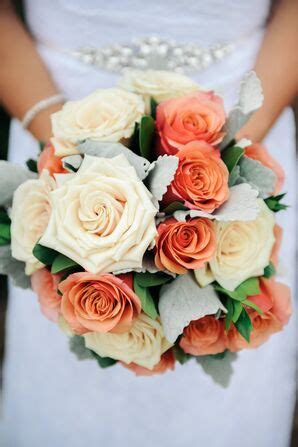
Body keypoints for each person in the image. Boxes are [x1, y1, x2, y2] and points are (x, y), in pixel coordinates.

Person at [0, 1, 297, 446]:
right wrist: (71, 157)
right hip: (53, 126)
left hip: (246, 122)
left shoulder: (239, 147)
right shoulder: (60, 150)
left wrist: (228, 155)